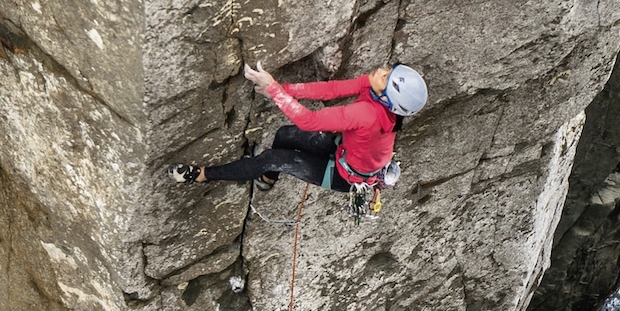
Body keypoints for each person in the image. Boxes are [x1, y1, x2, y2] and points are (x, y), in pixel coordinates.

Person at [168, 61, 428, 197]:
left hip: (346, 177)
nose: (380, 71)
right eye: (388, 70)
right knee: (284, 135)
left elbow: (310, 121)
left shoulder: (367, 114)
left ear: (388, 99)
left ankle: (202, 175)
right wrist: (284, 89)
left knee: (272, 158)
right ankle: (268, 179)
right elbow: (332, 90)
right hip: (347, 154)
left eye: (386, 76)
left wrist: (273, 90)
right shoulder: (376, 94)